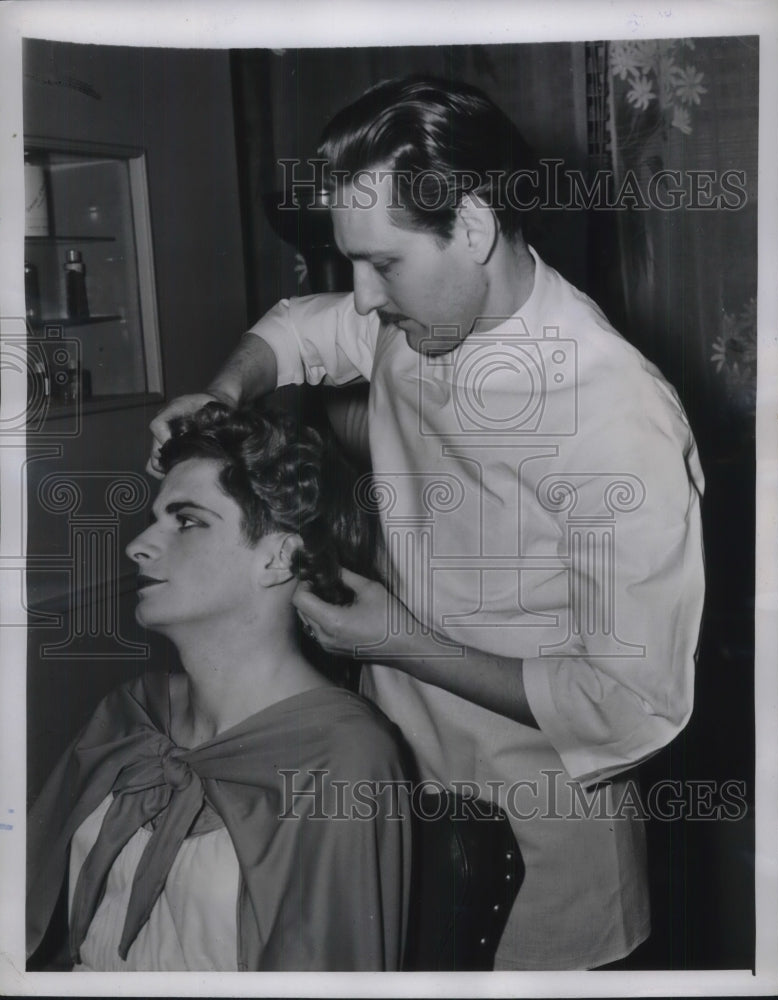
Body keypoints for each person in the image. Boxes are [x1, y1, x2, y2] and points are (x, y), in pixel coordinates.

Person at [147, 77, 705, 971]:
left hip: (546, 853)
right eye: (352, 265)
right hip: (402, 786)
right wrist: (221, 391)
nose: (363, 300)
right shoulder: (429, 310)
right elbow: (298, 330)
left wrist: (398, 640)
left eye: (383, 266)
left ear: (475, 228)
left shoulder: (613, 415)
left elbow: (629, 703)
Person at [27, 403, 411, 972]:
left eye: (187, 521)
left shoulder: (343, 759)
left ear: (278, 558)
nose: (138, 546)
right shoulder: (130, 714)